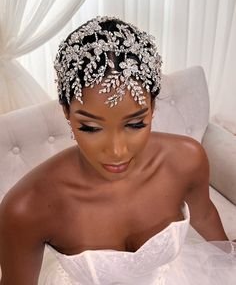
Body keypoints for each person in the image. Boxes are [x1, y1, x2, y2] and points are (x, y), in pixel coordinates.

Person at [0, 16, 235, 285]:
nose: (117, 151)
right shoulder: (26, 207)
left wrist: (228, 258)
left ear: (153, 108)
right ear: (66, 112)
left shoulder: (186, 159)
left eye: (135, 124)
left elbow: (203, 214)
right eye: (90, 127)